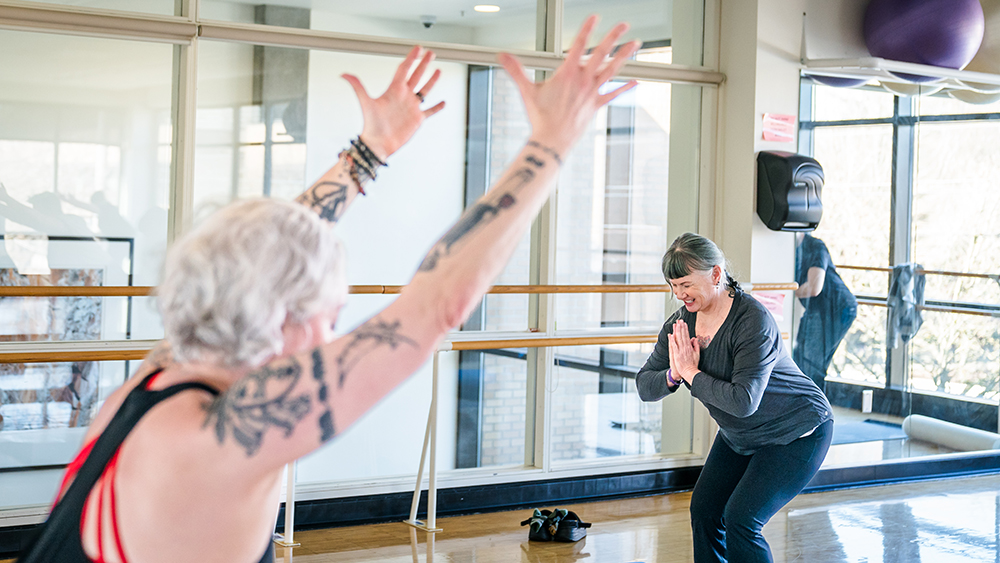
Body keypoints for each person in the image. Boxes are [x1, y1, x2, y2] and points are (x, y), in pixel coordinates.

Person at [17, 17, 640, 563]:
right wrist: (552, 143)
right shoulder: (212, 440)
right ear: (280, 313)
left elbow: (258, 256)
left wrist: (369, 153)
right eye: (330, 313)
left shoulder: (154, 382)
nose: (331, 335)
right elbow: (432, 307)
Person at [636, 232, 833, 563]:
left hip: (797, 432)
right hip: (740, 435)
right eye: (673, 286)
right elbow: (645, 384)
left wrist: (692, 373)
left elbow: (744, 401)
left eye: (685, 284)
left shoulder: (752, 322)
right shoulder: (680, 324)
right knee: (705, 511)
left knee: (742, 519)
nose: (679, 294)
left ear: (715, 274)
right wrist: (674, 373)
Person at [793, 232, 858, 391]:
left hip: (838, 307)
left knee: (811, 363)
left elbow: (814, 288)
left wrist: (789, 291)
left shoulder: (816, 246)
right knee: (800, 358)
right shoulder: (789, 251)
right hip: (817, 309)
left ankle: (817, 413)